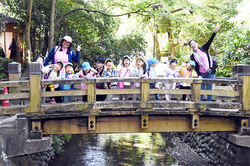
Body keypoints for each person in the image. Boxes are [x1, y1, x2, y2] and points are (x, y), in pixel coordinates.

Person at [189, 25, 220, 101]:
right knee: (201, 90)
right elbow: (195, 67)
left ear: (197, 43)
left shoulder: (204, 48)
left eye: (193, 43)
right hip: (202, 74)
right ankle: (200, 105)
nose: (193, 45)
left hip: (210, 72)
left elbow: (210, 40)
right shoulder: (192, 56)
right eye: (191, 45)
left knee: (209, 90)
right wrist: (199, 75)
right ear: (190, 47)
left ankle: (208, 105)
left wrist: (215, 32)